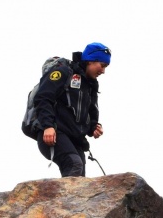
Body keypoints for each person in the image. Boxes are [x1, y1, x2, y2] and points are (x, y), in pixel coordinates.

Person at [33, 43, 110, 177]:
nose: (103, 71)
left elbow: (91, 111)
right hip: (53, 133)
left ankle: (62, 198)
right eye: (102, 65)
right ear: (91, 60)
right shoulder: (64, 71)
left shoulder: (91, 84)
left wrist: (93, 127)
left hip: (75, 140)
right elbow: (43, 98)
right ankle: (62, 199)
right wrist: (48, 126)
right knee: (74, 164)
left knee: (80, 179)